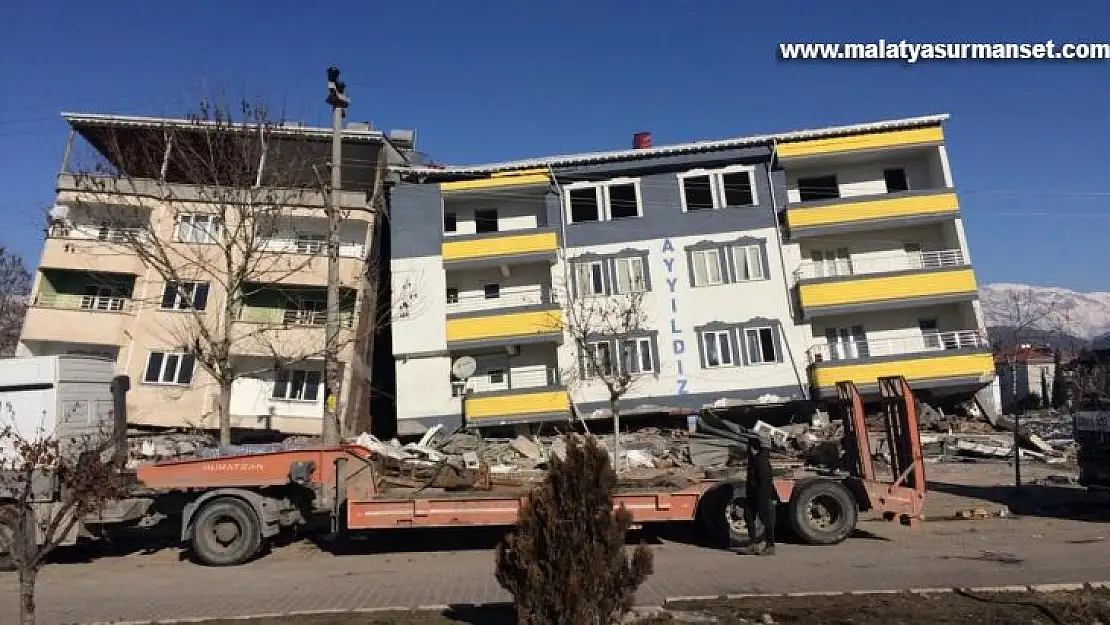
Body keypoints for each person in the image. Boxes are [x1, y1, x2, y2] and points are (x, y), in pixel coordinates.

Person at [737, 435, 776, 555]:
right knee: (749, 516)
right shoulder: (753, 460)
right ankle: (753, 544)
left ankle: (770, 546)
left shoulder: (761, 461)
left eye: (748, 446)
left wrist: (763, 497)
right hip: (753, 494)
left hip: (762, 495)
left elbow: (765, 481)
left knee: (766, 519)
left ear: (753, 447)